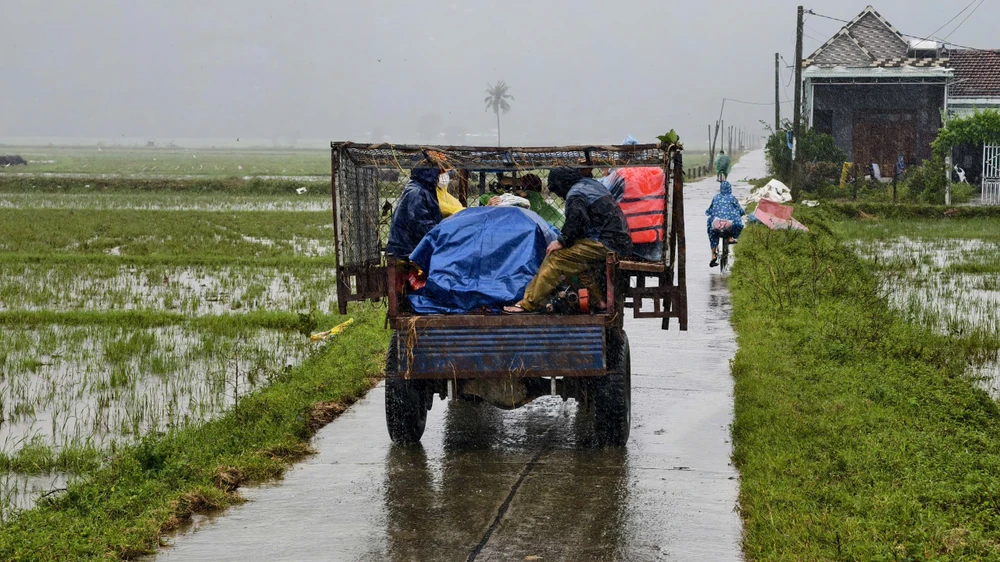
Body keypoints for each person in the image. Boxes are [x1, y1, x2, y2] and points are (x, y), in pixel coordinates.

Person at [504, 167, 632, 313]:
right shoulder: (591, 184)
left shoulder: (575, 194)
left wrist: (561, 241)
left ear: (561, 185)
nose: (559, 196)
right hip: (619, 242)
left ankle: (528, 303)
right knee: (577, 260)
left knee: (556, 258)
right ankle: (599, 302)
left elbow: (576, 219)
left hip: (606, 243)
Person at [385, 160, 446, 258]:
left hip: (409, 249)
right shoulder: (417, 192)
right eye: (439, 172)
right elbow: (421, 224)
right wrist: (446, 234)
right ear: (430, 172)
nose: (440, 176)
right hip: (407, 252)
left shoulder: (422, 189)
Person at [705, 180, 745, 268]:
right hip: (728, 225)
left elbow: (710, 210)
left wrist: (709, 213)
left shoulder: (716, 197)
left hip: (717, 225)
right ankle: (730, 238)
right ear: (730, 189)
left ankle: (713, 255)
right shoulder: (732, 198)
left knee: (711, 230)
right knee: (733, 222)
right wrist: (742, 212)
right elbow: (740, 210)